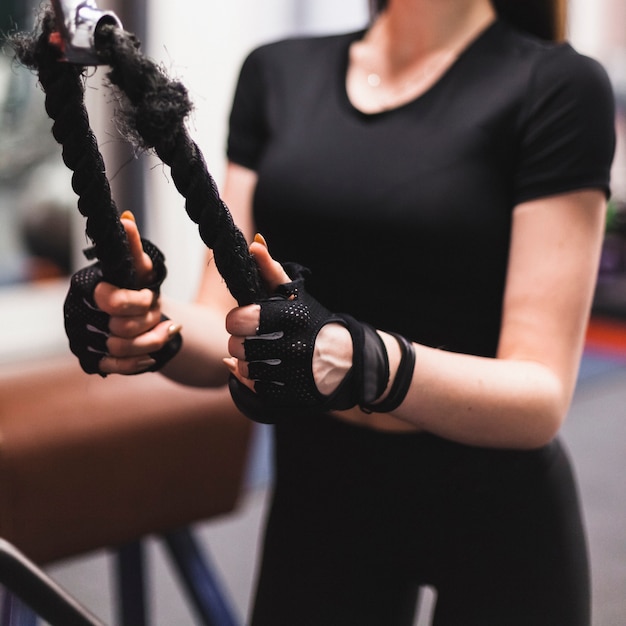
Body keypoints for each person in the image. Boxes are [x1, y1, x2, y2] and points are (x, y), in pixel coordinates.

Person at [65, 0, 616, 623]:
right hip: (322, 489)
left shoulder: (559, 87)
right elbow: (219, 323)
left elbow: (539, 395)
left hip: (492, 501)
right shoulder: (278, 73)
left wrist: (360, 358)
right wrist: (146, 323)